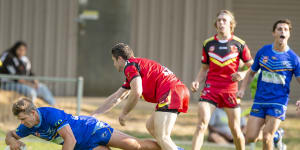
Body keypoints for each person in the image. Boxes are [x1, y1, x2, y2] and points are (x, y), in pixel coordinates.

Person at [92, 43, 190, 150]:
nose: (114, 64)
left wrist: (124, 113)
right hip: (177, 90)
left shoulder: (129, 67)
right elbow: (117, 97)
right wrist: (94, 115)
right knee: (151, 126)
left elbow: (137, 91)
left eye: (113, 60)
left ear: (120, 59)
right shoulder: (136, 66)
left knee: (163, 137)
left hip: (172, 92)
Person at [190, 10, 253, 150]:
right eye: (219, 20)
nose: (221, 22)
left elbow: (253, 66)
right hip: (210, 89)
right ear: (216, 24)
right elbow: (204, 68)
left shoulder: (239, 43)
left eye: (224, 20)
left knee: (236, 130)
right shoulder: (208, 43)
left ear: (231, 24)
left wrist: (243, 74)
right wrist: (196, 81)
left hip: (230, 90)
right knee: (201, 124)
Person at [237, 19, 300, 150]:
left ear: (289, 34)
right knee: (250, 137)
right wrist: (242, 89)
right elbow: (251, 72)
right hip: (260, 100)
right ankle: (277, 136)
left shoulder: (293, 58)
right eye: (279, 29)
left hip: (278, 101)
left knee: (267, 137)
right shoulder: (264, 51)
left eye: (286, 29)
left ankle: (273, 135)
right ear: (274, 33)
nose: (283, 31)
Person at [5, 97, 161, 150]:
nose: (22, 123)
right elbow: (10, 134)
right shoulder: (28, 126)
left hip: (92, 130)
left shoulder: (50, 114)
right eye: (20, 120)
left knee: (137, 146)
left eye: (23, 119)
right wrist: (12, 141)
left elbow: (70, 140)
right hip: (84, 147)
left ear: (33, 113)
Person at [0, 41, 55, 105]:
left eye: (23, 50)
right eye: (20, 49)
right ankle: (30, 110)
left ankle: (53, 105)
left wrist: (35, 81)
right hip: (8, 84)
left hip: (23, 83)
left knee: (43, 88)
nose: (21, 52)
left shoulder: (24, 59)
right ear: (15, 49)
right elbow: (17, 78)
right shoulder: (9, 58)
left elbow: (30, 73)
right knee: (32, 92)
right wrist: (30, 84)